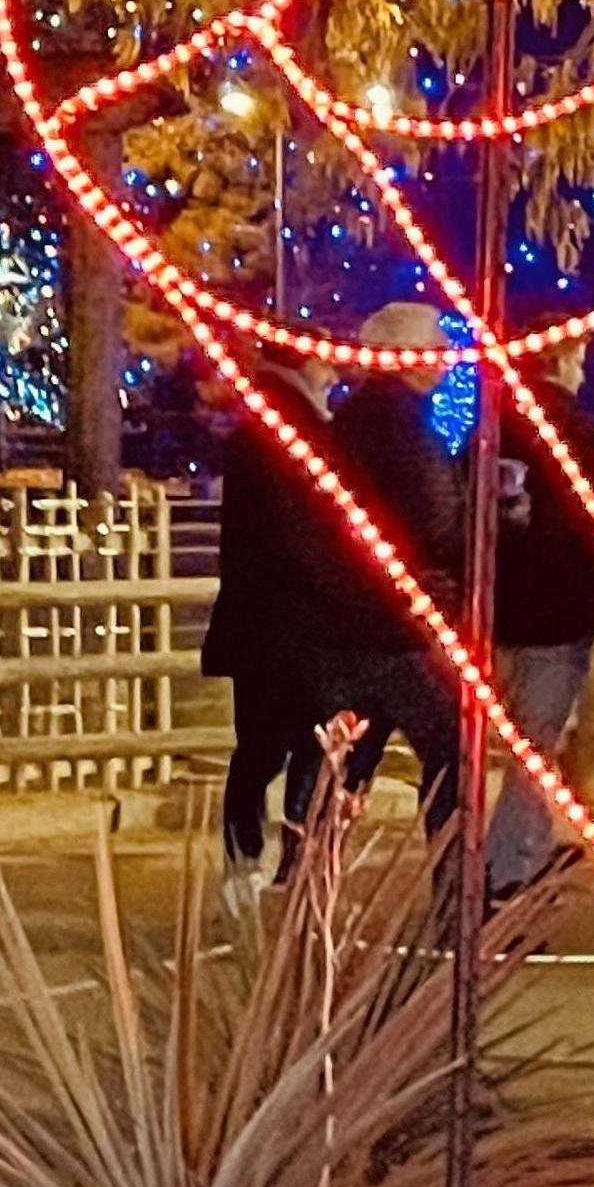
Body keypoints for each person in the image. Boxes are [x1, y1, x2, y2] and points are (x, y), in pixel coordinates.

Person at [300, 299, 469, 843]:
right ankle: (452, 882)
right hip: (402, 623)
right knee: (450, 750)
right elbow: (440, 524)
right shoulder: (410, 433)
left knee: (347, 759)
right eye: (437, 350)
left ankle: (306, 877)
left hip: (339, 618)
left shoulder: (340, 426)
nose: (445, 362)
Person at [486, 336, 594, 899]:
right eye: (579, 360)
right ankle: (507, 871)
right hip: (560, 612)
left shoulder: (492, 429)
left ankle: (512, 850)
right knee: (536, 746)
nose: (583, 371)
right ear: (559, 363)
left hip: (493, 607)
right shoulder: (588, 436)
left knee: (501, 745)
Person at [203, 349, 340, 882]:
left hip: (257, 619)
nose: (333, 374)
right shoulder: (304, 432)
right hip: (300, 617)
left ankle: (245, 858)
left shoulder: (257, 428)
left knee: (258, 749)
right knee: (306, 745)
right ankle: (297, 859)